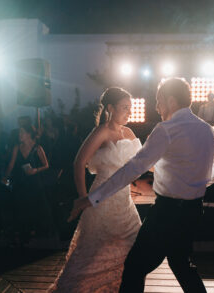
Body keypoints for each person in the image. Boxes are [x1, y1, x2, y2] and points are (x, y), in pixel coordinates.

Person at [68, 78, 214, 293]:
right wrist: (195, 183)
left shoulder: (166, 129)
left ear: (171, 101)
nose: (156, 107)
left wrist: (91, 198)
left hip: (166, 213)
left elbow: (133, 168)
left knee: (135, 267)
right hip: (193, 210)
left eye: (159, 101)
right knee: (181, 264)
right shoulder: (206, 129)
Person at [55, 87, 142, 292]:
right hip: (101, 201)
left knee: (132, 248)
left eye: (130, 108)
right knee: (92, 255)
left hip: (125, 202)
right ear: (110, 108)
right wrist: (84, 198)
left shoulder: (129, 132)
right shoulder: (101, 131)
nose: (129, 112)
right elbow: (79, 163)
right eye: (124, 108)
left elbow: (141, 163)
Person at [3, 125, 54, 243]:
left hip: (34, 182)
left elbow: (46, 165)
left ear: (29, 134)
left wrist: (35, 170)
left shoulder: (38, 148)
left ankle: (39, 232)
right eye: (19, 133)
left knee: (36, 206)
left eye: (22, 132)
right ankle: (25, 232)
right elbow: (11, 164)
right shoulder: (17, 147)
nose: (19, 135)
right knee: (22, 207)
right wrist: (5, 177)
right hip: (21, 181)